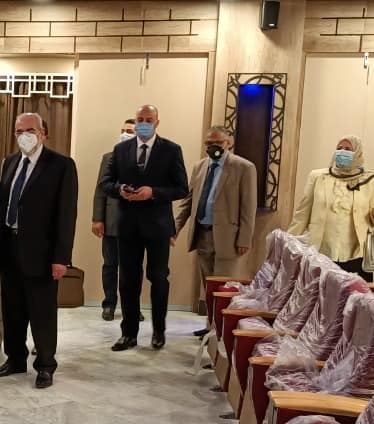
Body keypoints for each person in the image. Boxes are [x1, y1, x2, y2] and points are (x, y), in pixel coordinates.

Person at [0, 113, 78, 389]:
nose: (24, 136)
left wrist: (61, 258)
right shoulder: (11, 162)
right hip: (10, 248)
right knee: (12, 310)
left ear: (43, 134)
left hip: (42, 253)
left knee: (42, 312)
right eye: (19, 131)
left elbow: (66, 215)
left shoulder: (61, 165)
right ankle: (15, 359)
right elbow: (2, 207)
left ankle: (45, 365)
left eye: (30, 130)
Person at [98, 104, 189, 351]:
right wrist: (120, 190)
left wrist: (154, 192)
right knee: (128, 280)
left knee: (158, 278)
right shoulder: (121, 149)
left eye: (149, 119)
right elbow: (105, 183)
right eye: (140, 119)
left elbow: (182, 188)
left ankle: (159, 331)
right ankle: (128, 333)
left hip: (158, 226)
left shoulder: (171, 150)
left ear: (157, 122)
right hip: (128, 225)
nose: (144, 123)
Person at [173, 126, 257, 338]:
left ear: (229, 143)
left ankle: (221, 332)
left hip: (228, 238)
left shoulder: (244, 167)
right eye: (209, 143)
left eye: (218, 143)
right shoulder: (200, 166)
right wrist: (174, 228)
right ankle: (210, 325)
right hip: (202, 234)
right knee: (208, 285)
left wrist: (245, 238)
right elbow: (188, 202)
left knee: (224, 287)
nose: (213, 147)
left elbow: (248, 207)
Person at [287, 135, 374, 282]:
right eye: (339, 148)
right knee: (317, 292)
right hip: (320, 252)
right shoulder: (318, 177)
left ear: (358, 153)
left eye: (348, 149)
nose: (342, 152)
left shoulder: (372, 180)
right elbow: (302, 213)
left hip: (355, 255)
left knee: (353, 294)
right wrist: (288, 242)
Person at [92, 119, 137, 321]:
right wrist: (97, 218)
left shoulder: (145, 158)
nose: (126, 133)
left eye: (130, 131)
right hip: (111, 220)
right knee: (110, 265)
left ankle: (132, 307)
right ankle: (109, 304)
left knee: (132, 268)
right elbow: (101, 189)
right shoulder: (109, 157)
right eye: (124, 130)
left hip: (136, 223)